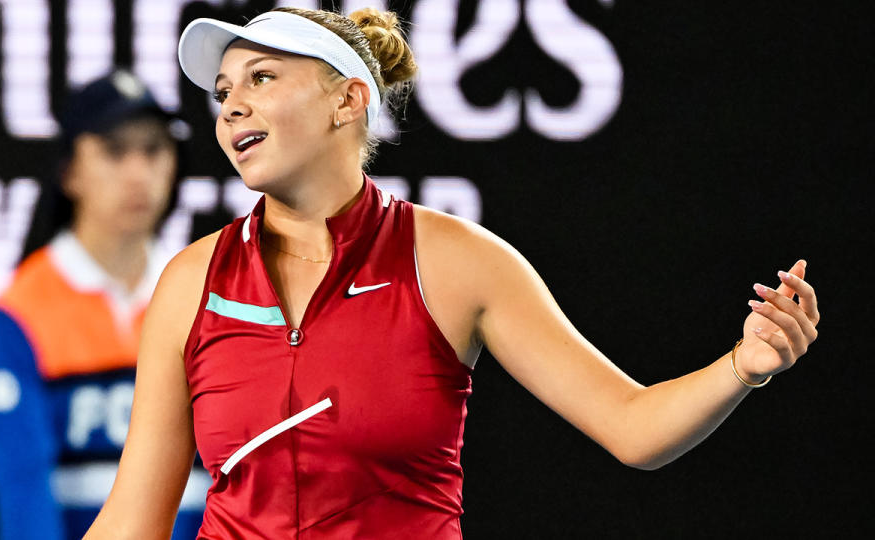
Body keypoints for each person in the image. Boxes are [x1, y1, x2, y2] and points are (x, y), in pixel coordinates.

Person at [85, 7, 820, 539]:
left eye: (262, 76)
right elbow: (133, 521)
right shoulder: (191, 280)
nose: (231, 105)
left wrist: (742, 367)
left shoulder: (457, 262)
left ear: (349, 99)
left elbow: (634, 427)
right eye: (221, 92)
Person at [0, 70, 207, 539]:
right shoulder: (17, 312)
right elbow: (24, 493)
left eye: (154, 149)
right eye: (115, 151)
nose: (138, 172)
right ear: (69, 171)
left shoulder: (211, 295)